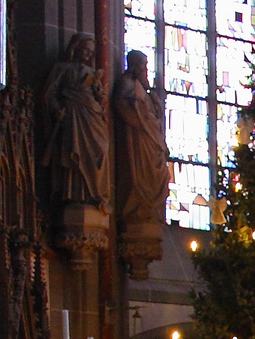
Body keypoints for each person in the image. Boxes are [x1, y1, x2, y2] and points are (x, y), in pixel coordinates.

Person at [41, 34, 111, 208]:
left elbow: (100, 98)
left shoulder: (92, 73)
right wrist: (57, 109)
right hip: (73, 115)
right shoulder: (63, 69)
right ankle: (75, 195)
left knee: (100, 150)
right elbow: (50, 93)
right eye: (84, 50)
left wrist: (100, 93)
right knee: (74, 153)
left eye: (90, 52)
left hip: (92, 116)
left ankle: (93, 195)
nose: (87, 54)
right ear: (75, 49)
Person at [113, 50, 170, 225]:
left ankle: (150, 210)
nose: (145, 69)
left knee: (161, 175)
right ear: (134, 65)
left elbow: (155, 113)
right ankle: (139, 208)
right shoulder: (126, 83)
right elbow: (121, 105)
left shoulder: (144, 89)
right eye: (143, 65)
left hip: (152, 139)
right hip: (139, 139)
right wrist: (142, 121)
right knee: (140, 178)